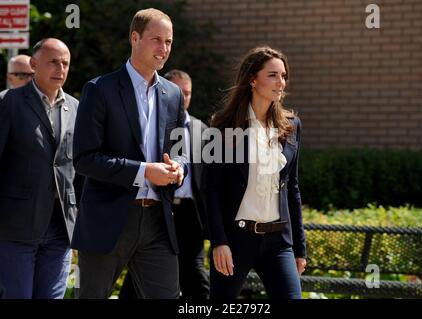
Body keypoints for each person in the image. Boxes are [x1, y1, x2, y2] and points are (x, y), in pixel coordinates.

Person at [71, 8, 188, 299]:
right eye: (156, 40)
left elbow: (180, 150)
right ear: (134, 38)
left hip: (158, 220)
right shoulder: (99, 89)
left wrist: (180, 167)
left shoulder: (173, 94)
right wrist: (144, 171)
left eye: (169, 42)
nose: (164, 49)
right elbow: (85, 158)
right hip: (108, 220)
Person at [206, 46, 307, 299]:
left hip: (278, 242)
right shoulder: (224, 127)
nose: (281, 82)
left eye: (284, 76)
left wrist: (299, 249)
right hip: (236, 240)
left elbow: (292, 187)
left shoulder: (291, 126)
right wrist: (219, 242)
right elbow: (211, 190)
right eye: (273, 75)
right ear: (253, 79)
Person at [120, 70, 210, 299]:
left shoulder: (203, 130)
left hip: (191, 214)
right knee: (141, 273)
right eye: (179, 92)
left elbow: (209, 179)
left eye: (187, 93)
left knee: (195, 275)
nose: (183, 98)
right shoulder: (153, 125)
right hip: (160, 207)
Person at [0, 38, 79, 299]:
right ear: (34, 64)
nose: (60, 69)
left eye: (65, 63)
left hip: (60, 228)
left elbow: (78, 167)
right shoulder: (10, 103)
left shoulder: (76, 108)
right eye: (53, 62)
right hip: (16, 228)